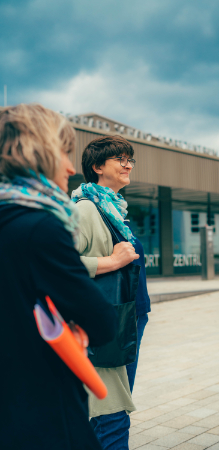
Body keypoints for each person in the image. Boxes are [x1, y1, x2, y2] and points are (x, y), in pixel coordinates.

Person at [0, 104, 117, 450]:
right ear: (39, 153)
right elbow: (100, 322)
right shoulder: (42, 227)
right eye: (64, 152)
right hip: (41, 406)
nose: (70, 167)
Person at [71, 135, 151, 449]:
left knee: (113, 403)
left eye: (130, 158)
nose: (128, 164)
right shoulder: (86, 209)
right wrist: (112, 260)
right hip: (108, 322)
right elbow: (60, 263)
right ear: (97, 166)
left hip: (129, 318)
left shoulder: (113, 209)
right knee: (111, 411)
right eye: (120, 159)